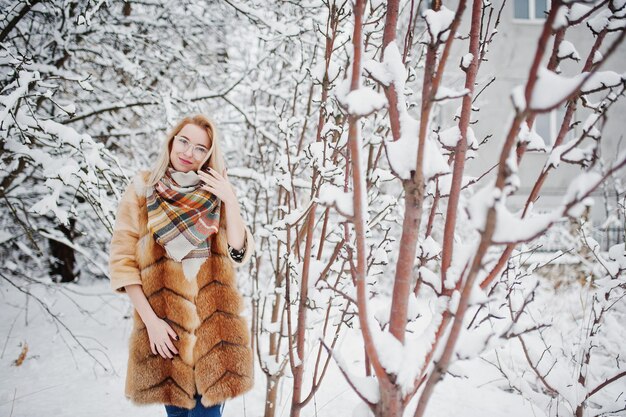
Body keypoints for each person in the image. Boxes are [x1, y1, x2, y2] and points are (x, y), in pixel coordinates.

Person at [108, 115, 255, 416]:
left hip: (213, 335)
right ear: (172, 140)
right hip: (166, 335)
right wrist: (151, 323)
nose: (189, 152)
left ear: (209, 155)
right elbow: (123, 264)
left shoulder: (215, 194)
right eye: (184, 141)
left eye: (200, 148)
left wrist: (231, 200)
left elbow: (238, 251)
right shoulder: (142, 190)